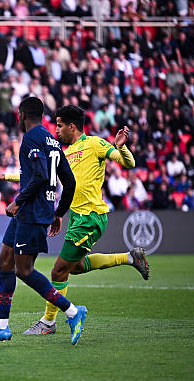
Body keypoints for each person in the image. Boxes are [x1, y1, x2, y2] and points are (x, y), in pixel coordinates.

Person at [21, 105, 149, 336]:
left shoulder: (95, 143)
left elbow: (128, 163)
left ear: (72, 126)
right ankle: (130, 257)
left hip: (90, 217)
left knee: (58, 271)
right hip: (76, 218)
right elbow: (42, 176)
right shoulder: (64, 153)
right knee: (76, 267)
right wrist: (6, 177)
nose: (56, 130)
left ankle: (48, 321)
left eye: (59, 125)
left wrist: (121, 147)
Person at [0, 97, 86, 345]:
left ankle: (72, 312)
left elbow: (41, 175)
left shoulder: (31, 138)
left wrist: (18, 201)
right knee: (5, 261)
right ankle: (1, 326)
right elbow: (69, 182)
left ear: (21, 115)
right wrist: (59, 213)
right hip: (33, 211)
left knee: (23, 270)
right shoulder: (52, 141)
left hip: (32, 211)